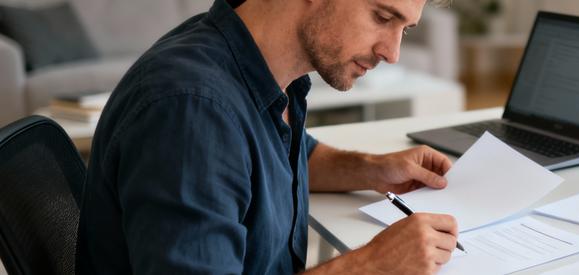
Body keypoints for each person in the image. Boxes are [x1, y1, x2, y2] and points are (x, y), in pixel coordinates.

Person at [75, 0, 458, 274]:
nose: (392, 52)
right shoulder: (193, 113)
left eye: (404, 29)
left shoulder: (258, 64)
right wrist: (372, 265)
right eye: (382, 16)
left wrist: (374, 169)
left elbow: (279, 154)